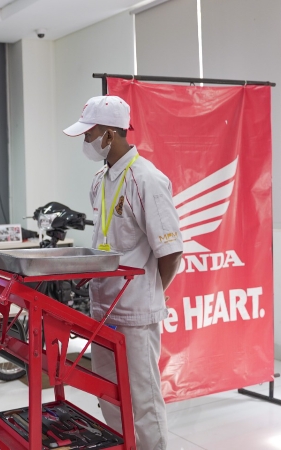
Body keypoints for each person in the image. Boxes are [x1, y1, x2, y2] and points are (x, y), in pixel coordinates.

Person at [63, 96, 183, 450]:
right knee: (109, 394)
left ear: (111, 133)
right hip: (103, 310)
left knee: (143, 399)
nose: (86, 141)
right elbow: (107, 242)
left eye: (90, 133)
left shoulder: (147, 180)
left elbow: (170, 251)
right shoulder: (101, 179)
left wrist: (150, 292)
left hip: (135, 314)